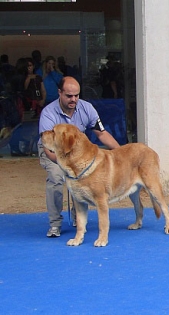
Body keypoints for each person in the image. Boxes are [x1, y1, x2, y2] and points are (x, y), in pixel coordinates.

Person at [38, 76, 120, 238]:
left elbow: (102, 134)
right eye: (69, 96)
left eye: (76, 95)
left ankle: (78, 218)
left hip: (76, 153)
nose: (73, 99)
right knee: (56, 177)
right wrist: (68, 166)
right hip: (53, 151)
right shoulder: (48, 113)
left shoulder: (87, 108)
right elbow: (48, 150)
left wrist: (120, 153)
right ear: (59, 93)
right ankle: (55, 224)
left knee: (84, 175)